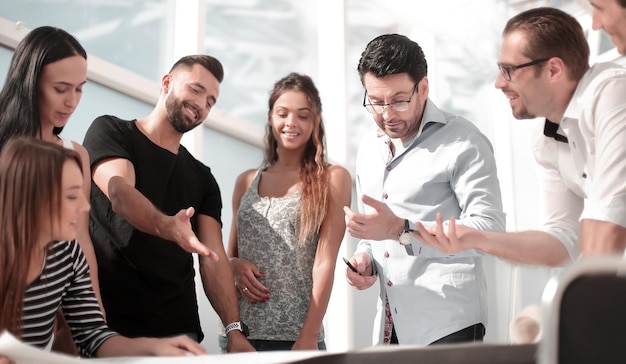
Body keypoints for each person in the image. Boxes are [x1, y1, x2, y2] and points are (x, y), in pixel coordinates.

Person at [415, 7, 626, 260]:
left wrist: (586, 297)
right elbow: (562, 237)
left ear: (554, 70)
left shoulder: (613, 92)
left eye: (509, 70)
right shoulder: (545, 139)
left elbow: (611, 215)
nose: (499, 83)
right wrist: (477, 238)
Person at [82, 55, 254, 352]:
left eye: (211, 102)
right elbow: (120, 193)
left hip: (179, 333)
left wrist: (234, 330)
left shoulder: (203, 178)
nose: (201, 104)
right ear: (166, 82)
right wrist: (167, 226)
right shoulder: (111, 132)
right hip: (109, 330)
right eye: (197, 90)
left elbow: (212, 258)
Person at [343, 34, 506, 346]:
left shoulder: (465, 142)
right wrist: (364, 259)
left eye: (399, 99)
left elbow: (492, 231)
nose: (387, 114)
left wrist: (404, 230)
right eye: (376, 102)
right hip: (390, 329)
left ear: (424, 88)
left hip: (447, 326)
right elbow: (378, 233)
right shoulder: (368, 148)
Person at [0, 137, 206, 361]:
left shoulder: (69, 255)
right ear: (32, 197)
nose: (84, 205)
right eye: (71, 196)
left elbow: (93, 335)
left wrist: (154, 347)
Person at [218, 73, 352, 352]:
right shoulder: (246, 181)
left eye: (303, 115)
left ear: (315, 121)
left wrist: (309, 337)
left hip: (297, 340)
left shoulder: (332, 178)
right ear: (270, 117)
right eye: (283, 113)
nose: (291, 123)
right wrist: (233, 266)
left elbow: (324, 263)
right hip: (240, 337)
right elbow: (229, 254)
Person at [0, 25, 101, 355]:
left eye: (80, 89)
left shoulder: (76, 154)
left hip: (57, 305)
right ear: (30, 83)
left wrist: (95, 313)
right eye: (61, 88)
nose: (72, 102)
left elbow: (80, 240)